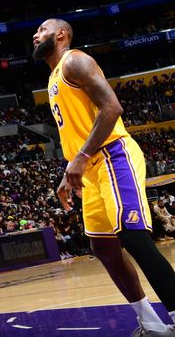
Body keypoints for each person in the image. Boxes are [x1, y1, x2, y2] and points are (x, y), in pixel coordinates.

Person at [33, 18, 175, 336]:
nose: (35, 35)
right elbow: (77, 132)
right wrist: (71, 168)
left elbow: (112, 107)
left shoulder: (75, 61)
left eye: (42, 30)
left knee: (133, 236)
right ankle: (151, 323)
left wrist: (81, 157)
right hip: (89, 167)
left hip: (113, 155)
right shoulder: (53, 76)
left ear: (61, 34)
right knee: (103, 247)